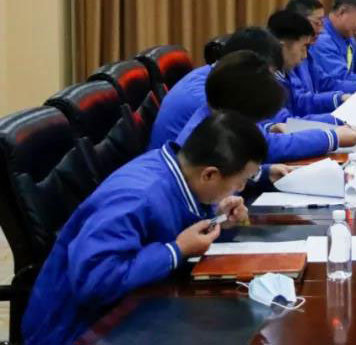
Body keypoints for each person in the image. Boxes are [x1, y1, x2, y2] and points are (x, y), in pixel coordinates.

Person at [22, 111, 267, 344]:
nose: (241, 189)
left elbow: (169, 226)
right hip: (75, 330)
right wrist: (176, 250)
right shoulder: (137, 196)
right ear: (209, 175)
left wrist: (217, 218)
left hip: (130, 305)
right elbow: (95, 281)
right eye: (241, 181)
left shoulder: (175, 170)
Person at [176, 50, 356, 163]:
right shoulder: (212, 135)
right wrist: (334, 137)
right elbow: (268, 146)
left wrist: (266, 172)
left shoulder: (222, 108)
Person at [149, 26, 284, 150]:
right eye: (267, 75)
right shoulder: (207, 96)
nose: (268, 82)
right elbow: (248, 147)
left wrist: (268, 127)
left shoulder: (218, 80)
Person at [267, 9, 346, 118]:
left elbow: (299, 102)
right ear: (282, 47)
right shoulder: (265, 80)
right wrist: (339, 121)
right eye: (303, 47)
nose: (304, 56)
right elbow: (285, 122)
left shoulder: (284, 72)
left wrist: (340, 98)